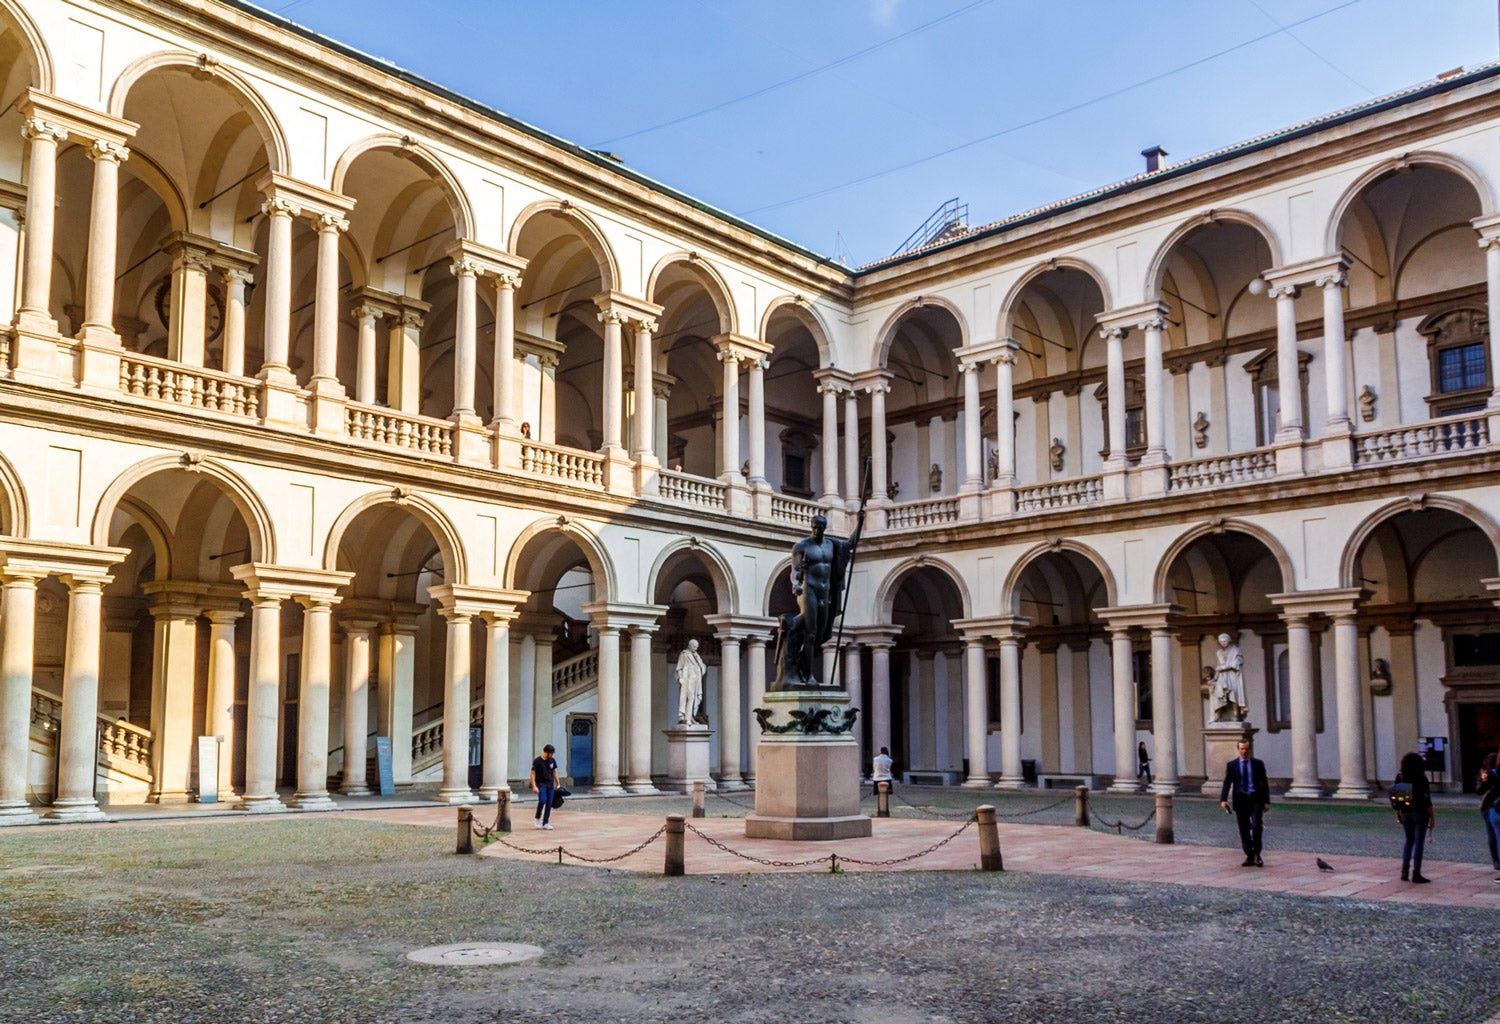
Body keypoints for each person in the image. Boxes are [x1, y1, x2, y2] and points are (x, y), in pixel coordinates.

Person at [1219, 738, 1271, 867]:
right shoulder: (1232, 765)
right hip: (1240, 800)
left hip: (1256, 799)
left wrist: (1266, 801)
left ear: (1250, 749)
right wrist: (1223, 799)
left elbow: (1264, 783)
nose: (1244, 751)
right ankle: (1249, 854)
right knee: (1243, 829)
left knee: (1257, 825)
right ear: (1238, 749)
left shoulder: (1258, 764)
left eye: (1246, 749)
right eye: (1242, 749)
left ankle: (1258, 854)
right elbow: (1227, 783)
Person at [1395, 750, 1434, 883]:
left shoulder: (1400, 777)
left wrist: (1398, 814)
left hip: (1406, 812)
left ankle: (1404, 871)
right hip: (1420, 812)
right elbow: (1427, 800)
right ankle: (1416, 872)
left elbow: (1398, 799)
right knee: (1419, 843)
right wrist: (1432, 817)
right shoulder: (1421, 778)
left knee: (1409, 841)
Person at [1477, 753, 1500, 871]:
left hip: (1490, 806)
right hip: (1491, 806)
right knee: (1494, 834)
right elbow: (1480, 790)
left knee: (1493, 834)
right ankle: (1496, 860)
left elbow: (1479, 790)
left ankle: (1496, 860)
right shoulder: (1488, 773)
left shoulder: (1489, 774)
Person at [530, 743, 559, 830]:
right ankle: (537, 818)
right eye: (550, 753)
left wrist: (558, 783)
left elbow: (554, 772)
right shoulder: (537, 761)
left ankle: (546, 822)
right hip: (541, 784)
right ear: (545, 752)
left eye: (552, 754)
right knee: (542, 800)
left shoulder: (552, 760)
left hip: (550, 784)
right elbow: (532, 774)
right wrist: (534, 786)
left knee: (549, 803)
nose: (551, 755)